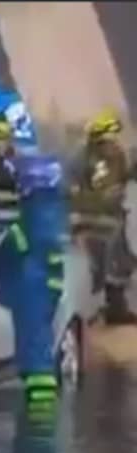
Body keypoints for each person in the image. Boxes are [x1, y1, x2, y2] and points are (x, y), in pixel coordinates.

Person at [0, 154, 68, 410]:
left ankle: (37, 424)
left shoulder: (31, 221)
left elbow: (9, 253)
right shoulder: (51, 216)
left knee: (35, 355)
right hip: (43, 290)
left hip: (31, 290)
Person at [69, 109, 137, 325]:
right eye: (110, 136)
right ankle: (94, 312)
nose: (114, 141)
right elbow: (79, 192)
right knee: (101, 267)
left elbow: (122, 179)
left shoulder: (115, 154)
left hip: (111, 217)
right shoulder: (87, 158)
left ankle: (114, 309)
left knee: (118, 264)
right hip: (96, 220)